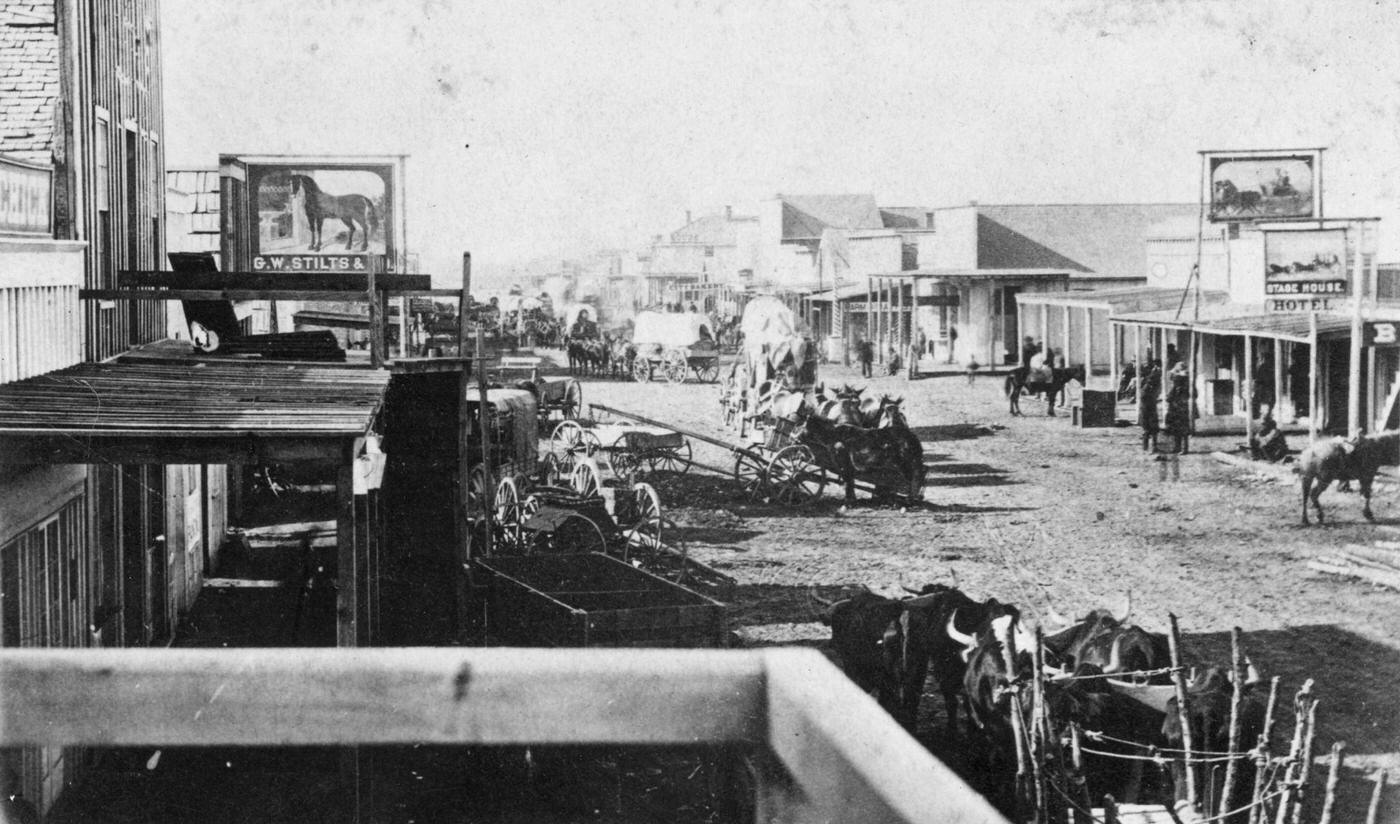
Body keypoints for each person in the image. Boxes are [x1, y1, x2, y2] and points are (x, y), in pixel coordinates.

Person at [1163, 362, 1191, 454]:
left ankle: (1183, 448)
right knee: (1177, 429)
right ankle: (1178, 447)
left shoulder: (1183, 383)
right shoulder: (1180, 383)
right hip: (1177, 407)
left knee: (1182, 429)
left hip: (1180, 407)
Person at [1139, 359, 1162, 452]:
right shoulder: (1148, 387)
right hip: (1149, 407)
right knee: (1151, 428)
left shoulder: (1145, 385)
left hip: (1146, 407)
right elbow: (1146, 397)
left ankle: (1146, 447)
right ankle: (1152, 447)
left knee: (1147, 428)